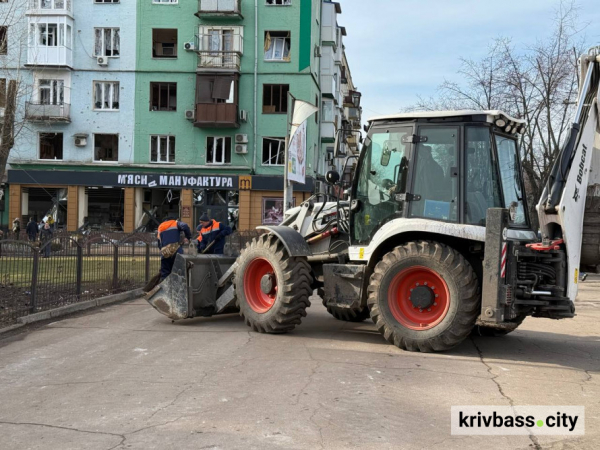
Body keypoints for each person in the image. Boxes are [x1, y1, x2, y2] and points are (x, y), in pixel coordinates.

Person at [157, 216, 191, 280]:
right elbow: (185, 226)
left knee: (165, 273)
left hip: (165, 253)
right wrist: (188, 237)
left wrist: (163, 251)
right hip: (176, 251)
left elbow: (159, 243)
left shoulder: (160, 227)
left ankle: (165, 286)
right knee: (178, 271)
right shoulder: (175, 223)